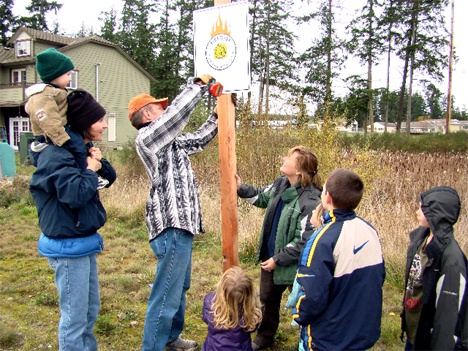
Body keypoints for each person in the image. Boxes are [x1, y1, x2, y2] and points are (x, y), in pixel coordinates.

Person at [128, 75, 221, 351]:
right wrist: (199, 84)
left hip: (181, 228)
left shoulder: (172, 143)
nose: (165, 111)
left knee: (178, 287)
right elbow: (178, 115)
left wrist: (219, 115)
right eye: (160, 108)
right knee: (167, 292)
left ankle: (170, 339)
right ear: (147, 115)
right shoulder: (147, 138)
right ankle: (153, 347)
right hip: (171, 227)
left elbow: (200, 139)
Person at [29, 89, 116, 351]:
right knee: (75, 319)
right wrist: (90, 170)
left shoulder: (81, 150)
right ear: (83, 123)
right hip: (67, 245)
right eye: (99, 119)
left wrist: (97, 162)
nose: (104, 124)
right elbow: (75, 194)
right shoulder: (57, 155)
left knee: (89, 311)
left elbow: (108, 179)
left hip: (82, 240)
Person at [235, 145, 322, 350]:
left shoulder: (311, 200)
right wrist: (240, 188)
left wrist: (278, 259)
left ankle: (310, 341)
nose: (284, 158)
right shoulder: (282, 184)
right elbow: (261, 197)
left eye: (289, 158)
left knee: (303, 304)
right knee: (267, 300)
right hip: (270, 259)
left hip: (295, 266)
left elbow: (305, 241)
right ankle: (265, 338)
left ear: (299, 170)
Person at [293, 168, 385, 351]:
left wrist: (298, 315)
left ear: (327, 198)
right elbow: (379, 277)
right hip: (363, 331)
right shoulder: (369, 230)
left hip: (330, 337)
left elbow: (312, 295)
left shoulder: (323, 239)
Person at [400, 186, 467, 350]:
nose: (417, 211)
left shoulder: (452, 259)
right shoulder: (419, 240)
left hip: (428, 337)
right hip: (413, 330)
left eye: (422, 209)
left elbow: (449, 315)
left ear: (436, 214)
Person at [25, 48, 88, 171]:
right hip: (51, 133)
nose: (70, 79)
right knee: (78, 146)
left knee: (83, 144)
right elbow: (48, 119)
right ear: (55, 75)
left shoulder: (54, 92)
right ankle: (83, 173)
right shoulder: (43, 95)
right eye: (68, 74)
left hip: (61, 129)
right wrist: (61, 138)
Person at [201, 266, 263, 351]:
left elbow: (205, 319)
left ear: (221, 288)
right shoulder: (251, 310)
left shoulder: (210, 302)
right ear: (250, 293)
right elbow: (253, 328)